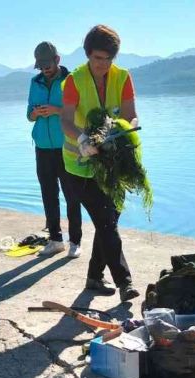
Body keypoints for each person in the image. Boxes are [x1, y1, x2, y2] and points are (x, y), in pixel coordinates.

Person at [60, 25, 139, 302]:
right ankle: (125, 282)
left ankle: (94, 277)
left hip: (112, 164)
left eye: (108, 59)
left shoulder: (123, 77)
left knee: (108, 221)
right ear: (88, 55)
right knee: (106, 222)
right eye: (97, 59)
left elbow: (131, 116)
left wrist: (122, 130)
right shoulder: (74, 80)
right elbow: (65, 120)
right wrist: (83, 138)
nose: (103, 65)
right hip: (79, 165)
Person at [27, 41, 82, 258]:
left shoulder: (71, 81)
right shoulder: (34, 82)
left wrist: (56, 110)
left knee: (72, 195)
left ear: (57, 60)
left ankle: (75, 241)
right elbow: (28, 115)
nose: (44, 69)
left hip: (66, 147)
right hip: (42, 147)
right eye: (40, 66)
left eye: (47, 64)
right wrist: (36, 113)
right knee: (48, 195)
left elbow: (78, 112)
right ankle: (55, 239)